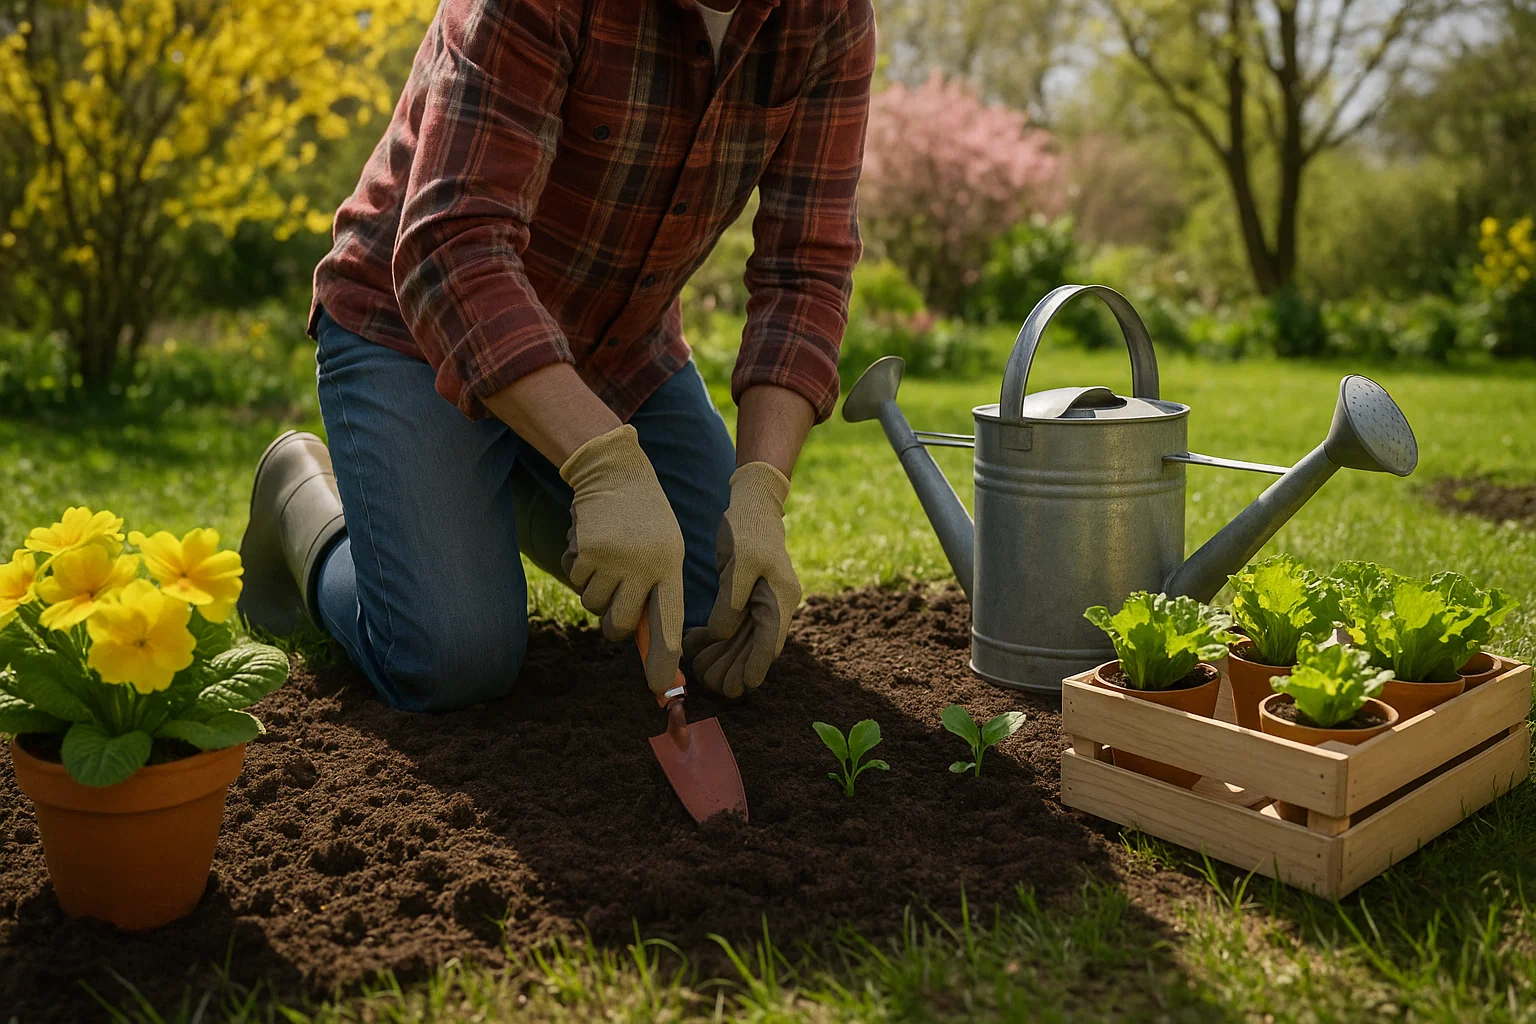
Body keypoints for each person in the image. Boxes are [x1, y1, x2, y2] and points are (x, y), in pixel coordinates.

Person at [237, 0, 877, 712]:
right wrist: (604, 466)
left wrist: (761, 491)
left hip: (618, 349)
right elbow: (453, 244)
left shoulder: (830, 16)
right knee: (454, 657)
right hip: (410, 326)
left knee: (716, 616)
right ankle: (300, 502)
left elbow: (805, 271)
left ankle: (494, 478)